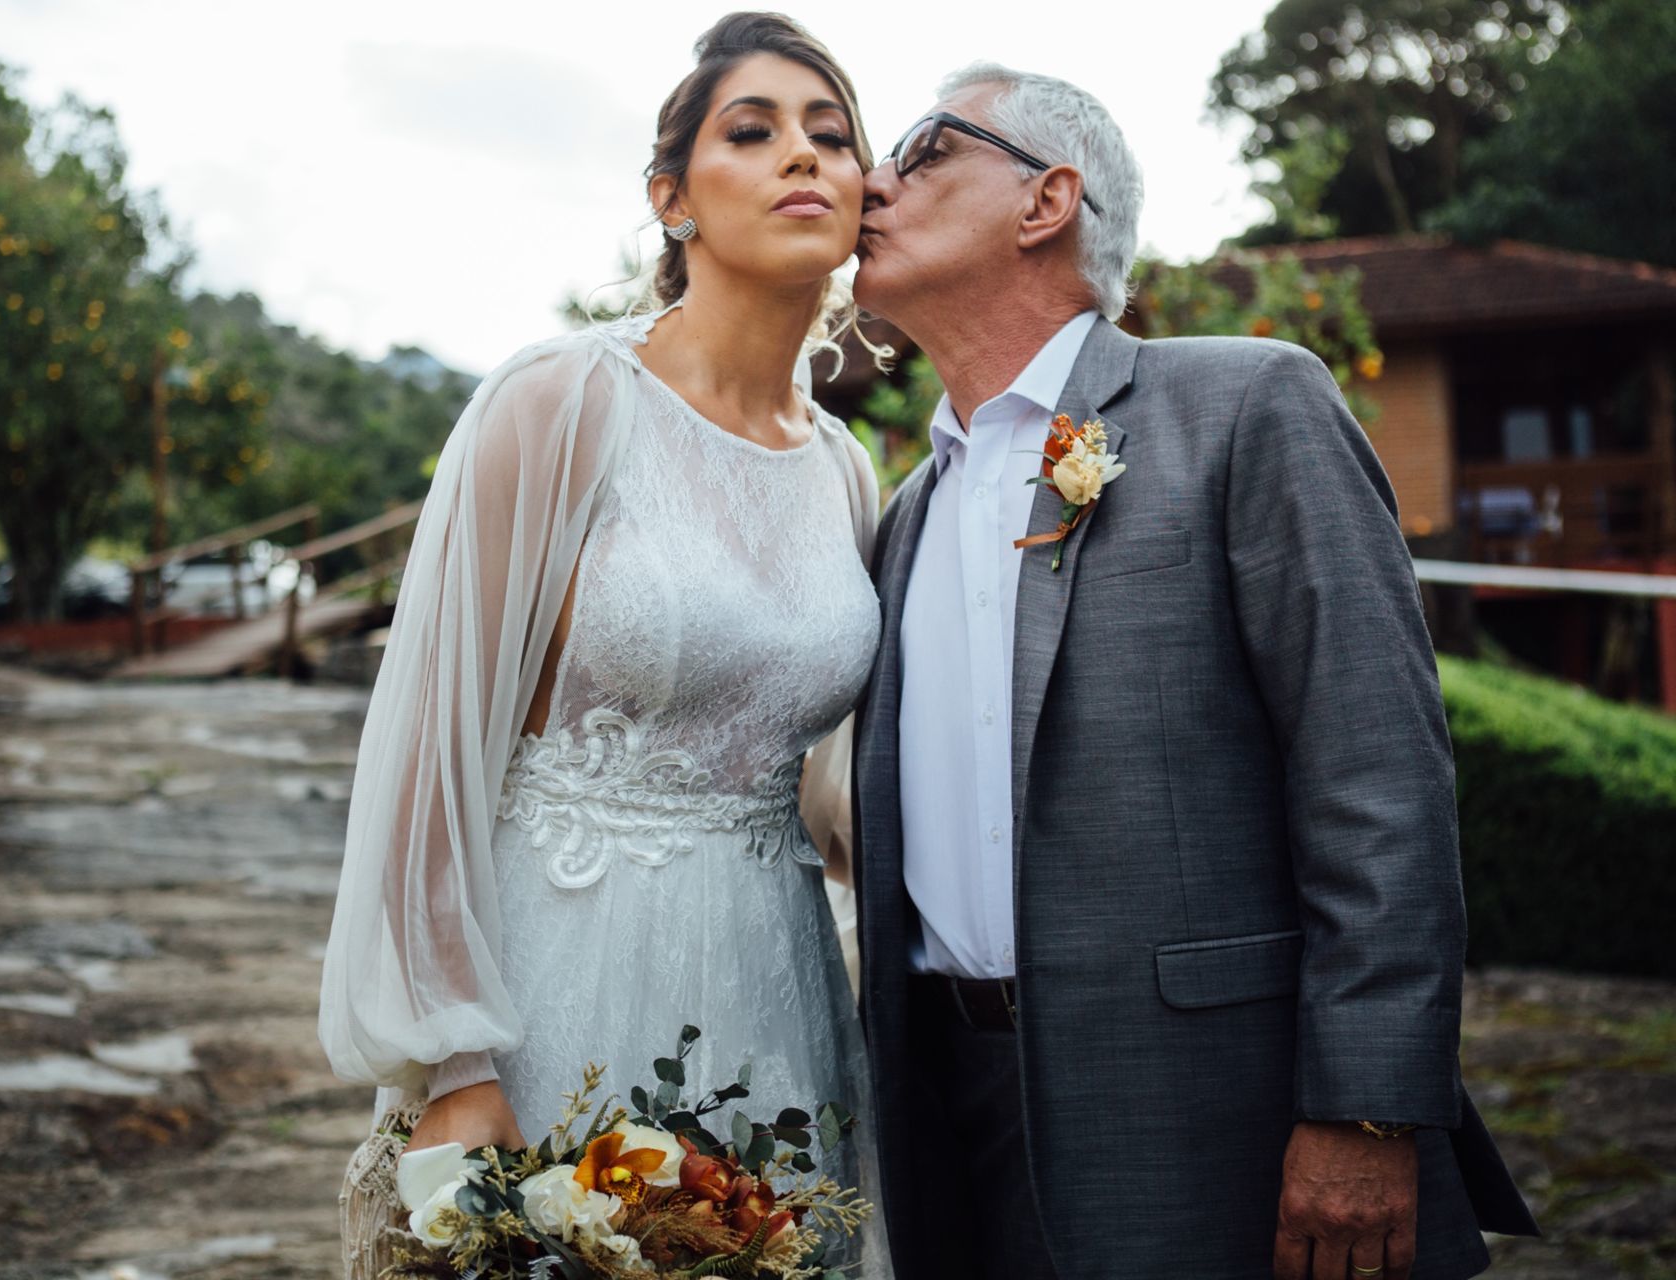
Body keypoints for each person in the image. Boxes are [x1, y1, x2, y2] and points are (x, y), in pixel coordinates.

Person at [848, 63, 1540, 1279]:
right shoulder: (904, 513)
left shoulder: (1246, 406)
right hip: (957, 1124)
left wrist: (1367, 1107)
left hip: (1218, 1114)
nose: (870, 180)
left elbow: (1375, 772)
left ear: (1046, 199)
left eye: (923, 149)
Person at [318, 13, 887, 1277]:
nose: (803, 155)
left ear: (863, 198)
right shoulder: (559, 403)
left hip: (776, 993)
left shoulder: (849, 472)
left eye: (833, 135)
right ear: (671, 197)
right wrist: (456, 1064)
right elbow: (428, 751)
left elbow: (833, 786)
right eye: (754, 131)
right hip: (551, 989)